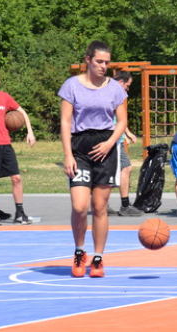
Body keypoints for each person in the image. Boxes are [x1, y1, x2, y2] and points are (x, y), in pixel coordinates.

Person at [59, 41, 128, 277]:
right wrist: (68, 155)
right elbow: (66, 122)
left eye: (107, 62)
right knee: (79, 207)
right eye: (99, 61)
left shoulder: (116, 89)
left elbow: (122, 122)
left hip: (106, 148)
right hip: (80, 148)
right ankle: (80, 251)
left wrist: (111, 143)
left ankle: (98, 258)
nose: (104, 66)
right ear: (88, 60)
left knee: (99, 207)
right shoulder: (71, 86)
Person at [0, 67, 36, 226]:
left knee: (16, 178)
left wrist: (30, 131)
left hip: (5, 143)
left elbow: (21, 112)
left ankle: (19, 212)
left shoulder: (4, 97)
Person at [106, 72, 144, 217]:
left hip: (115, 137)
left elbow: (118, 116)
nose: (127, 90)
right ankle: (125, 205)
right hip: (112, 138)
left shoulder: (108, 89)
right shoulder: (114, 91)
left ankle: (104, 204)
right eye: (127, 86)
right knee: (126, 167)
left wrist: (126, 132)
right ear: (121, 82)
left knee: (109, 171)